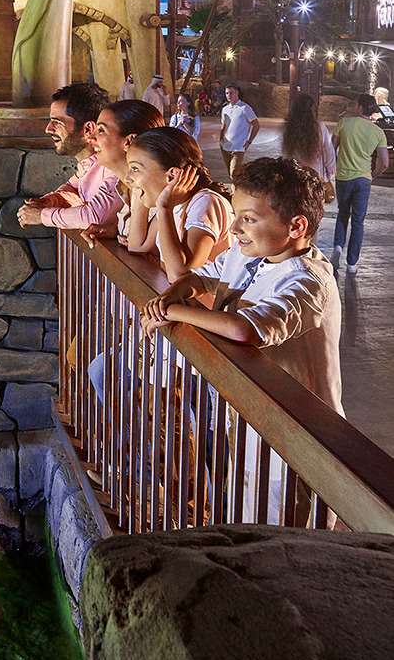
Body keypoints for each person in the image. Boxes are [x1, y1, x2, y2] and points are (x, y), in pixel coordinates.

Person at [143, 157, 341, 416]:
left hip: (295, 421)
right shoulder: (246, 253)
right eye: (236, 216)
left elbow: (245, 329)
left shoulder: (307, 282)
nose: (234, 228)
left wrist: (168, 312)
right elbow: (198, 278)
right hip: (248, 406)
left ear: (296, 226)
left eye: (248, 219)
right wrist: (169, 297)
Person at [122, 127, 233, 282]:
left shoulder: (205, 203)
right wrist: (137, 189)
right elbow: (137, 246)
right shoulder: (174, 204)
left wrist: (164, 209)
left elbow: (179, 275)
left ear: (172, 175)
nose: (126, 178)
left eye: (135, 168)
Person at [17, 82, 118, 231]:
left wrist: (41, 216)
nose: (48, 129)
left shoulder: (114, 166)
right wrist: (48, 202)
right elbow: (72, 188)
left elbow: (94, 217)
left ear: (88, 129)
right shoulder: (88, 165)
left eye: (57, 122)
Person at [83, 99, 166, 244]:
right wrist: (116, 230)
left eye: (101, 130)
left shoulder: (157, 196)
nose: (90, 137)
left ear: (129, 141)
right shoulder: (122, 186)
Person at [332, 93, 391, 273]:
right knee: (358, 221)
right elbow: (385, 163)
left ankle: (337, 247)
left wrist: (335, 164)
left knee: (343, 213)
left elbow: (331, 148)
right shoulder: (378, 132)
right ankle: (352, 264)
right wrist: (373, 174)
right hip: (363, 179)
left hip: (343, 177)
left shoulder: (344, 123)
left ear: (359, 107)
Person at [281, 91, 336, 188]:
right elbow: (328, 151)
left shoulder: (288, 128)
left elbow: (285, 153)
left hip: (294, 176)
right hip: (314, 177)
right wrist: (330, 172)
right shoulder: (319, 127)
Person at [219, 85, 259, 180]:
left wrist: (249, 141)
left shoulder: (245, 108)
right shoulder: (225, 109)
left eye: (231, 93)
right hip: (225, 146)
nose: (229, 95)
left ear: (237, 93)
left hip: (238, 147)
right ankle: (238, 188)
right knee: (231, 175)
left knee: (234, 173)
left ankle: (243, 186)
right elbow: (223, 125)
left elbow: (256, 125)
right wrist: (220, 140)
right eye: (227, 93)